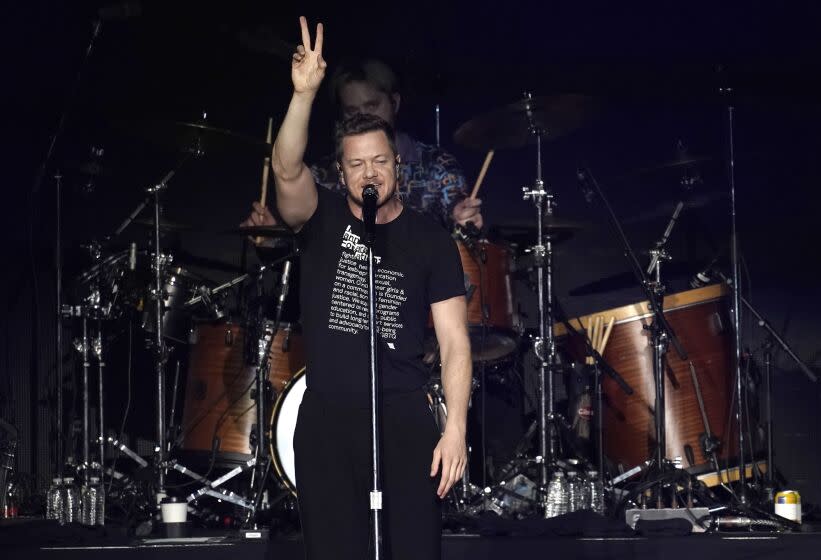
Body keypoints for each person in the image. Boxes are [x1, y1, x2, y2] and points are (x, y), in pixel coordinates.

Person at [254, 17, 472, 560]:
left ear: (397, 163)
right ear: (342, 170)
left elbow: (454, 343)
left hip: (402, 414)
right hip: (327, 419)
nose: (369, 173)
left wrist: (456, 430)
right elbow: (285, 169)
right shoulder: (321, 219)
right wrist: (303, 95)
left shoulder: (429, 239)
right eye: (356, 164)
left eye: (379, 161)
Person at [310, 57, 483, 231]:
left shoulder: (437, 165)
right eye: (352, 110)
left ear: (395, 103)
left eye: (372, 106)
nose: (364, 117)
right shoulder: (323, 174)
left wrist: (462, 216)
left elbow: (457, 213)